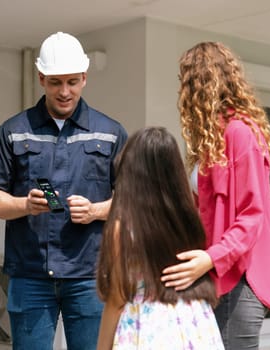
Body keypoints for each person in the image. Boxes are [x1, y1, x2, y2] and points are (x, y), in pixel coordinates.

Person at [0, 31, 128, 350]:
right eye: (56, 82)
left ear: (85, 78)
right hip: (30, 274)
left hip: (90, 274)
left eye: (72, 82)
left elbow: (135, 202)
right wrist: (24, 205)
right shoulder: (14, 131)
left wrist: (97, 211)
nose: (64, 91)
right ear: (41, 78)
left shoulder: (111, 133)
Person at [161, 41, 270, 350]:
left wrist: (210, 258)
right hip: (217, 277)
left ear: (202, 84)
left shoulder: (240, 132)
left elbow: (251, 215)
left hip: (240, 280)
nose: (182, 92)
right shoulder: (213, 138)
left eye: (186, 81)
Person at [96, 127, 224, 350]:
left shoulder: (124, 228)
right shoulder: (189, 219)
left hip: (148, 327)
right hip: (196, 324)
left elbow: (117, 298)